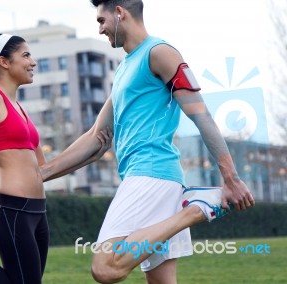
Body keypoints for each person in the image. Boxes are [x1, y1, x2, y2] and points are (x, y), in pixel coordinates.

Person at [40, 1, 256, 283]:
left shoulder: (160, 53)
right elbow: (97, 138)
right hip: (151, 179)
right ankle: (193, 206)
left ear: (120, 13)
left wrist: (231, 177)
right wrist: (40, 175)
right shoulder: (123, 71)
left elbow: (201, 115)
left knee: (105, 266)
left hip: (151, 175)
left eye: (101, 20)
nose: (101, 28)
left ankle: (196, 209)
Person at [0, 33, 111, 284]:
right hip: (11, 211)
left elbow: (42, 170)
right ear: (3, 62)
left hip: (38, 213)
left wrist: (91, 157)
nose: (33, 62)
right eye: (25, 55)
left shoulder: (20, 108)